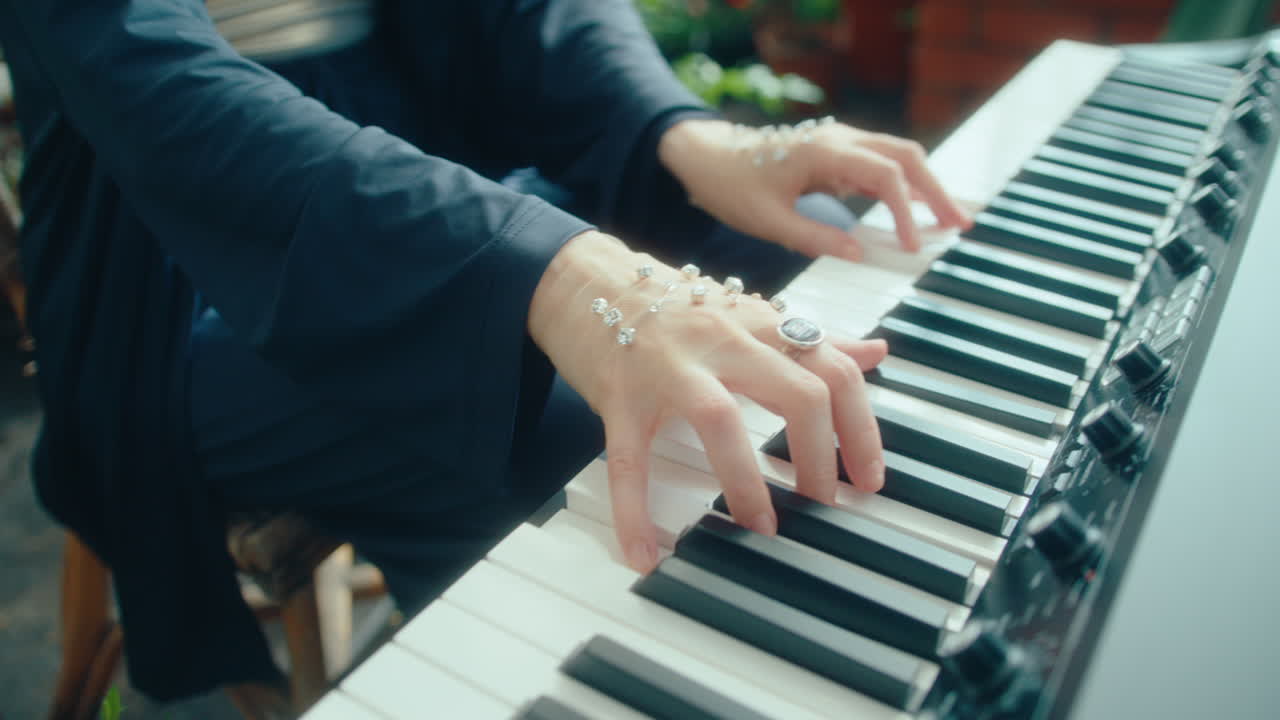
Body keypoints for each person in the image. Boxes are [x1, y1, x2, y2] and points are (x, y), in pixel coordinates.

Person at [0, 0, 969, 702]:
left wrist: (681, 133)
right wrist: (558, 278)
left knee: (797, 231)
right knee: (562, 412)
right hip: (177, 268)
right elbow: (154, 86)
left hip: (423, 158)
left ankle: (967, 565)